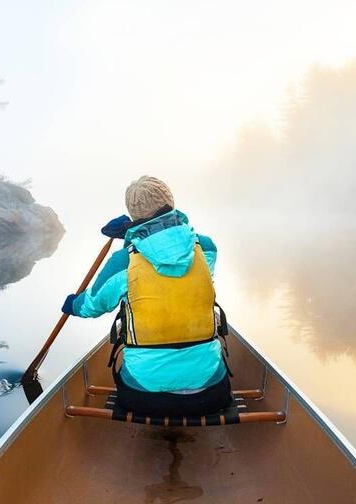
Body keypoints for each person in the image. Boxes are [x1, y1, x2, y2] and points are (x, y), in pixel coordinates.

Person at [61, 175, 232, 417]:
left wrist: (72, 304)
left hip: (144, 397)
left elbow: (92, 305)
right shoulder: (205, 247)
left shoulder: (123, 262)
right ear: (171, 204)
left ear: (132, 216)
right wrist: (137, 234)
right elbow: (179, 270)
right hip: (211, 394)